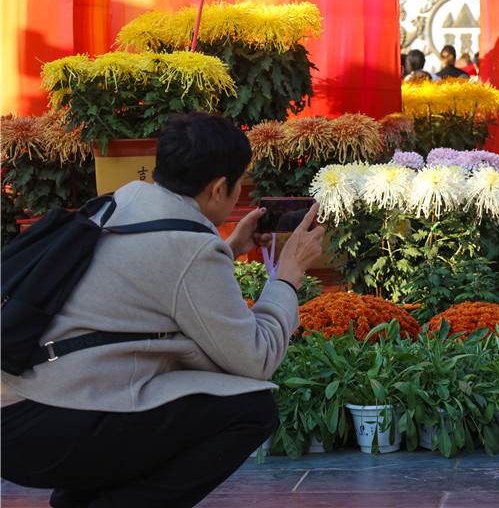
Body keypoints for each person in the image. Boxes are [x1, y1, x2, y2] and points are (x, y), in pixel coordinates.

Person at [1, 112, 324, 507]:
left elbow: (153, 278)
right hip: (39, 430)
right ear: (219, 188)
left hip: (23, 410)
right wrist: (287, 276)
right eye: (240, 182)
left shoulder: (124, 201)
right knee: (251, 409)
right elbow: (256, 358)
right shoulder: (188, 249)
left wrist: (230, 249)